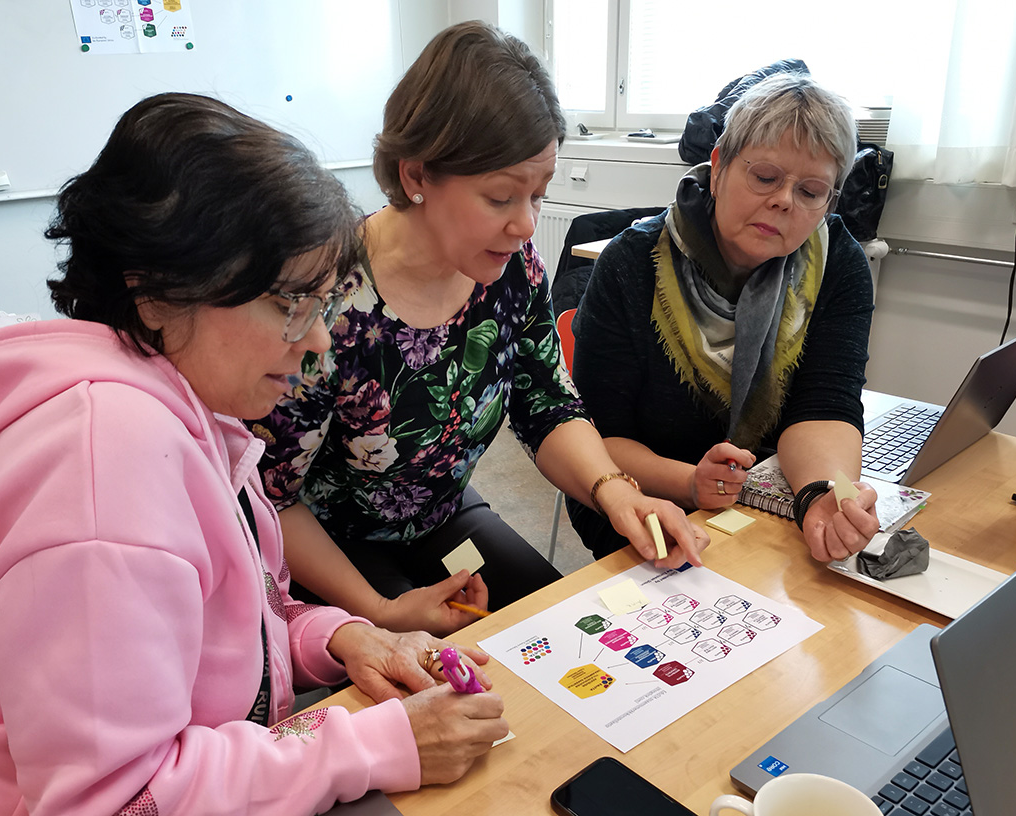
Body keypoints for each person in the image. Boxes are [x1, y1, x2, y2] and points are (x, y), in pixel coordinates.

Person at [0, 93, 508, 816]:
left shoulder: (176, 402)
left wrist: (339, 637)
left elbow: (226, 630)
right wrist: (377, 745)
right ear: (156, 293)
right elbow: (119, 802)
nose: (316, 340)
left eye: (325, 304)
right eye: (288, 303)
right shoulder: (103, 469)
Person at [252, 21, 709, 638]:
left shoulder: (512, 272)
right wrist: (381, 612)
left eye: (540, 196)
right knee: (445, 679)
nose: (525, 224)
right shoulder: (331, 303)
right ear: (416, 177)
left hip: (442, 519)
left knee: (572, 632)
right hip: (330, 547)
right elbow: (271, 500)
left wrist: (612, 489)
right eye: (500, 198)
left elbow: (547, 405)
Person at [569, 73, 880, 564]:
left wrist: (819, 493)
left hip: (766, 492)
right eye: (765, 177)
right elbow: (597, 438)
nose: (783, 200)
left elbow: (826, 404)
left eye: (811, 191)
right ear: (717, 167)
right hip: (646, 496)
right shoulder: (633, 262)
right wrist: (691, 483)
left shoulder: (837, 260)